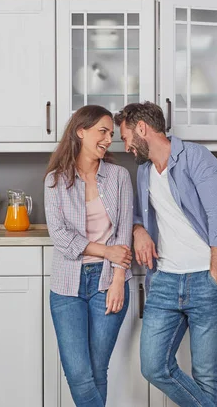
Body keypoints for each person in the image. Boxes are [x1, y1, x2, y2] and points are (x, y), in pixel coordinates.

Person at [114, 102, 217, 407]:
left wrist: (215, 276)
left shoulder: (197, 158)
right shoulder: (145, 172)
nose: (126, 147)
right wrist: (138, 231)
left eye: (125, 138)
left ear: (142, 129)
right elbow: (141, 215)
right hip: (164, 282)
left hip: (206, 280)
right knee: (153, 366)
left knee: (205, 374)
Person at [44, 105, 134, 407]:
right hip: (67, 285)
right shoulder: (56, 180)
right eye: (103, 132)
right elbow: (60, 237)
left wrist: (119, 280)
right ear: (81, 131)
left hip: (108, 280)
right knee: (79, 374)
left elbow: (123, 231)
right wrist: (104, 249)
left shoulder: (119, 176)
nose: (109, 139)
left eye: (111, 134)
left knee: (97, 371)